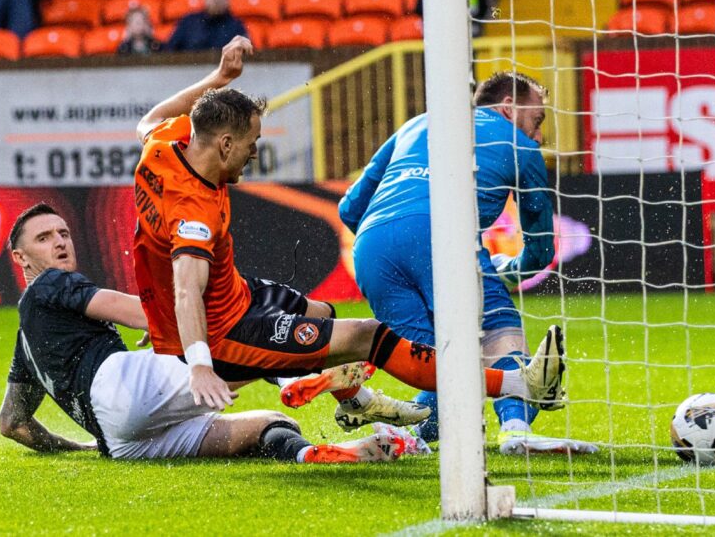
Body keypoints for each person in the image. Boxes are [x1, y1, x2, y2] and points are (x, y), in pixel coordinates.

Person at [131, 37, 564, 428]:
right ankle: (515, 386)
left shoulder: (165, 143)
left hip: (248, 293)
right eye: (251, 143)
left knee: (323, 315)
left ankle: (356, 399)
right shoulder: (195, 211)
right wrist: (200, 363)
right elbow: (187, 288)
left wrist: (222, 78)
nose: (254, 154)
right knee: (369, 337)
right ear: (225, 144)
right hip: (224, 331)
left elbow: (149, 118)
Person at [0, 202, 410, 462]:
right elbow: (136, 313)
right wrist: (170, 319)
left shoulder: (26, 339)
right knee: (236, 319)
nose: (60, 242)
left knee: (270, 424)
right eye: (44, 237)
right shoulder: (48, 284)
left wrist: (80, 447)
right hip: (121, 385)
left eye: (64, 233)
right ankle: (301, 373)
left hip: (121, 441)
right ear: (20, 257)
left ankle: (313, 455)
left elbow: (13, 423)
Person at [339, 71, 597, 455]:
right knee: (498, 330)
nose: (538, 134)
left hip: (372, 248)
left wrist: (396, 239)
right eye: (537, 120)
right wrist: (508, 271)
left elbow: (349, 208)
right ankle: (515, 427)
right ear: (508, 107)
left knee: (434, 365)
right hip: (445, 234)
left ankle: (400, 440)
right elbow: (542, 251)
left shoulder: (418, 123)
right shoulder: (520, 145)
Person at [165, 0, 246, 52]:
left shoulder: (236, 26)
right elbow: (169, 50)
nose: (216, 0)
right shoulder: (189, 22)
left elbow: (247, 55)